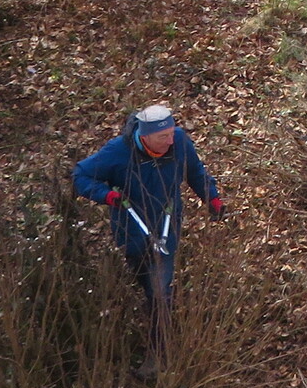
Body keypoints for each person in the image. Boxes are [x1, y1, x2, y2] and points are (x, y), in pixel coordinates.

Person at [72, 104, 222, 319]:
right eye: (163, 137)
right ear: (145, 137)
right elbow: (81, 175)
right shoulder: (118, 151)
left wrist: (211, 198)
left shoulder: (179, 141)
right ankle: (149, 298)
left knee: (160, 287)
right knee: (142, 273)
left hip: (166, 223)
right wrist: (107, 195)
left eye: (171, 133)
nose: (170, 141)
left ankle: (160, 331)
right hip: (131, 227)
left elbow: (195, 172)